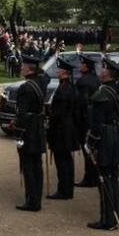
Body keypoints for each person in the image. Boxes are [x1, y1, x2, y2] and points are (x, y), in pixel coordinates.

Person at [86, 58, 119, 231]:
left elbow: (97, 123)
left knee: (105, 179)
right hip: (116, 134)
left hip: (105, 138)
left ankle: (107, 219)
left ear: (108, 73)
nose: (101, 71)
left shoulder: (102, 94)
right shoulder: (117, 90)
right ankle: (112, 217)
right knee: (112, 178)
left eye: (103, 69)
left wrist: (91, 143)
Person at [12, 53, 48, 212]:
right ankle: (36, 199)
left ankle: (31, 202)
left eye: (23, 65)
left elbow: (21, 114)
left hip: (29, 130)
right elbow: (44, 74)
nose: (20, 67)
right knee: (37, 165)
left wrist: (18, 133)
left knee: (28, 166)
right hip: (38, 127)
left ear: (28, 68)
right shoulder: (41, 81)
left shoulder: (25, 87)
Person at [47, 57, 78, 200]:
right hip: (65, 127)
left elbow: (59, 112)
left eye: (59, 69)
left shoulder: (65, 89)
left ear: (64, 72)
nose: (57, 70)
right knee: (65, 160)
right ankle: (66, 188)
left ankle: (64, 190)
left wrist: (49, 123)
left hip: (62, 129)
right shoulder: (65, 86)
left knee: (63, 161)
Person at [75, 54, 102, 187]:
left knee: (87, 150)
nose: (80, 66)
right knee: (91, 149)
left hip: (85, 120)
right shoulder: (96, 79)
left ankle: (90, 177)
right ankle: (94, 176)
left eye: (82, 64)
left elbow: (83, 102)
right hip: (94, 118)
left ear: (86, 66)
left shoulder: (83, 81)